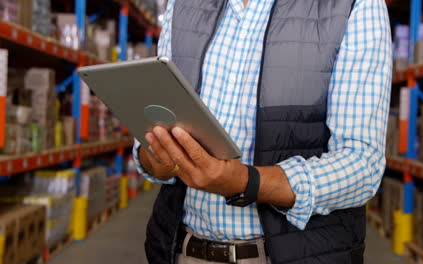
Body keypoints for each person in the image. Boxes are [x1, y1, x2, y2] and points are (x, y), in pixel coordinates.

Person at [133, 0, 392, 263]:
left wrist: (248, 183)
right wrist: (159, 153)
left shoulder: (354, 5)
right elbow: (155, 130)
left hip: (292, 254)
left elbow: (363, 164)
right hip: (180, 250)